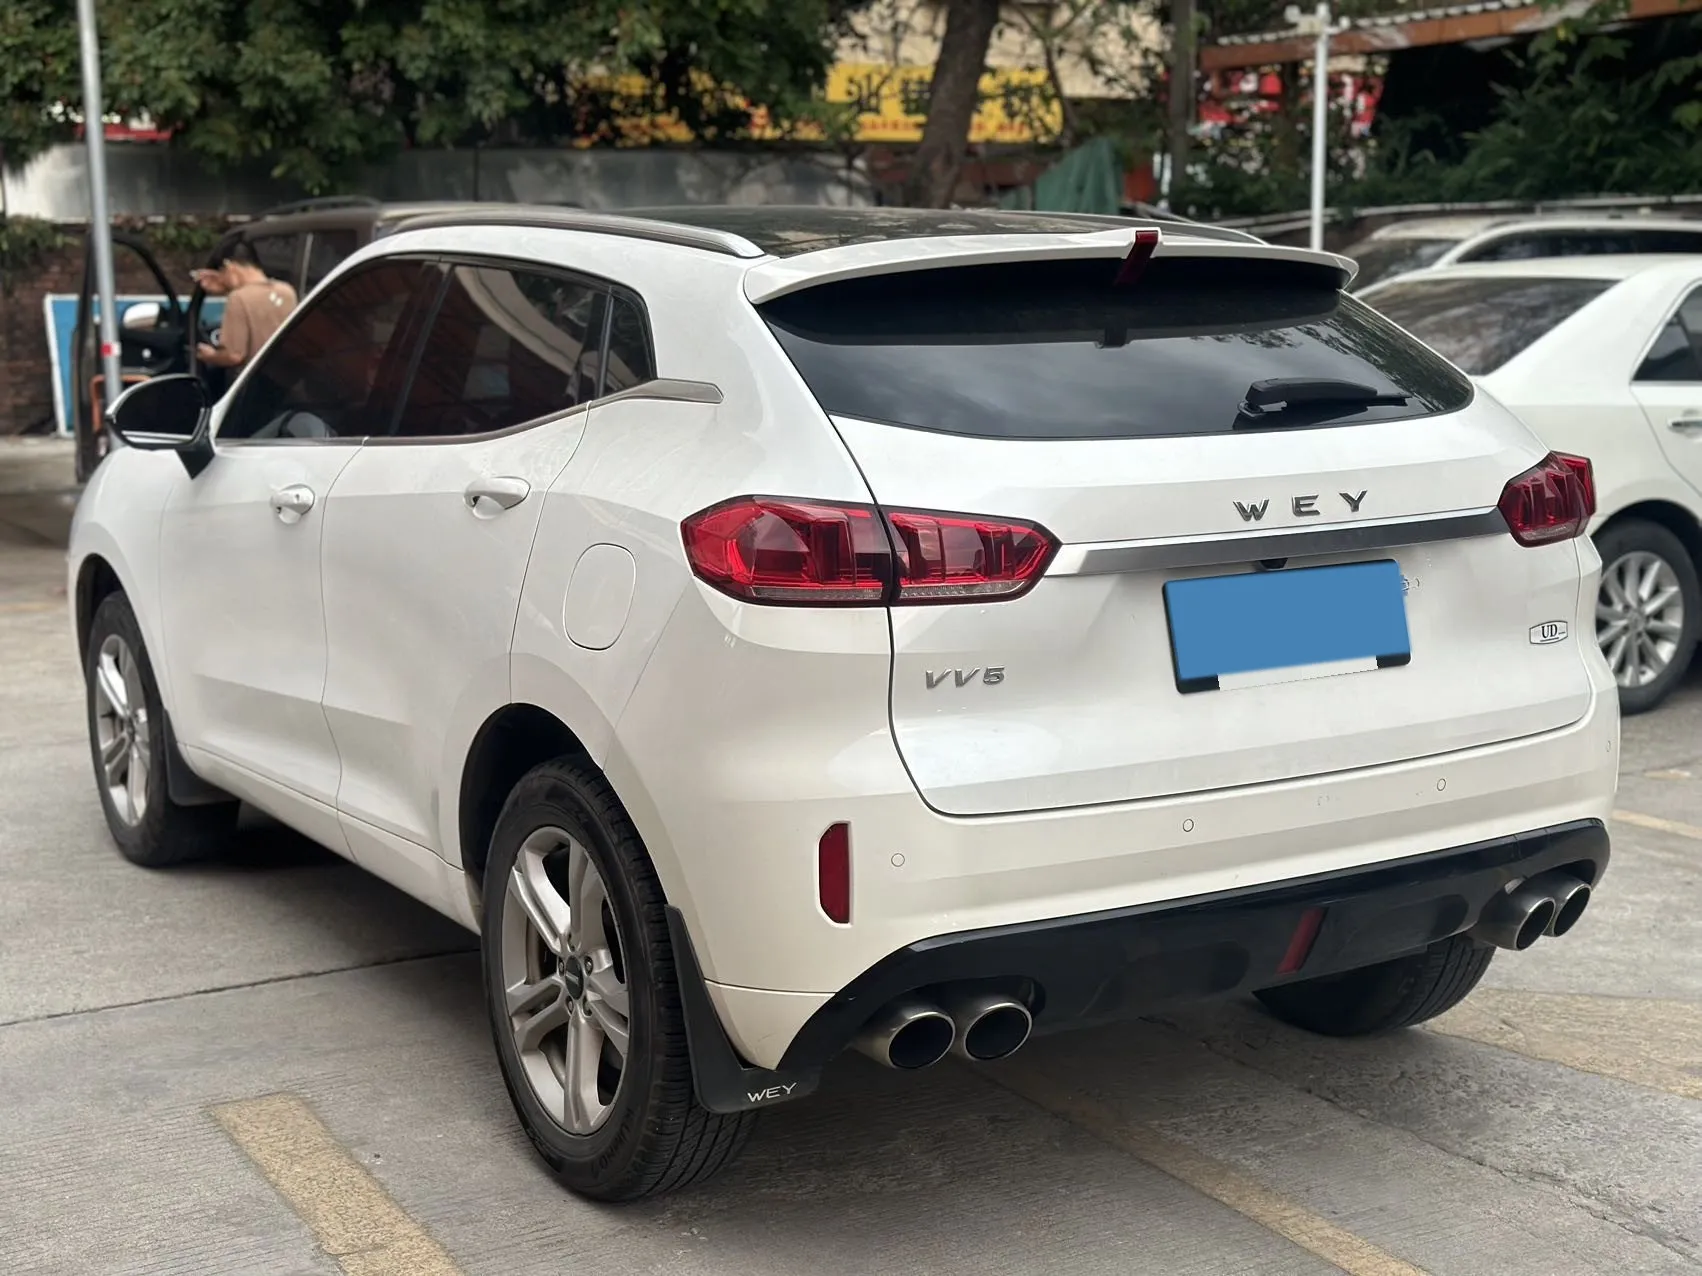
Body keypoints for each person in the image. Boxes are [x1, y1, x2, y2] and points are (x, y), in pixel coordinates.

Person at [192, 241, 297, 372]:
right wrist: (227, 287)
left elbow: (234, 355)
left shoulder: (238, 298)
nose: (222, 279)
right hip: (285, 374)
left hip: (254, 377)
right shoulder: (287, 291)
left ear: (228, 265)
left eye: (222, 272)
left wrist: (210, 356)